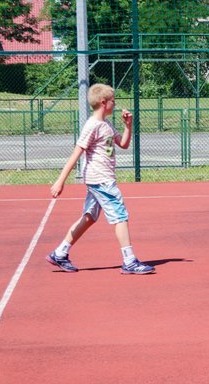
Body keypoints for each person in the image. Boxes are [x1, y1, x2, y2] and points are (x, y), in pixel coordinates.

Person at [46, 83, 155, 275]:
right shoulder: (92, 125)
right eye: (114, 100)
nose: (115, 103)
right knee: (120, 216)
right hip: (101, 180)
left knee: (89, 217)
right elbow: (76, 153)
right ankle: (129, 261)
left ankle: (59, 253)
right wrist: (60, 180)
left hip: (100, 179)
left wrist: (128, 126)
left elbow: (123, 144)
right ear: (104, 103)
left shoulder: (106, 124)